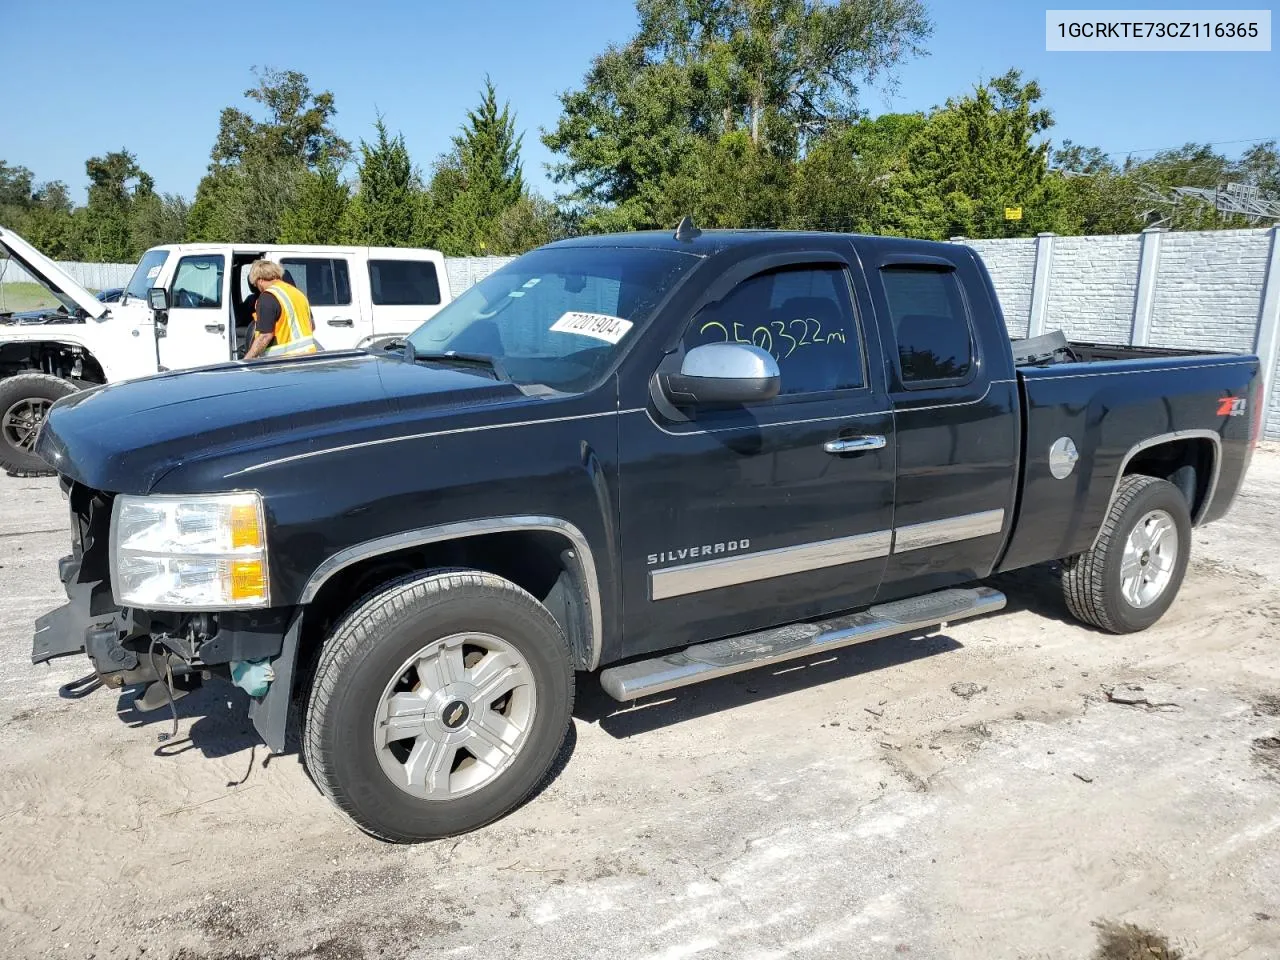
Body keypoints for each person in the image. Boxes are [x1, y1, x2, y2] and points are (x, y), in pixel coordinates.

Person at [243, 260, 322, 359]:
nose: (257, 288)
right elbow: (312, 326)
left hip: (283, 361)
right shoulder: (298, 293)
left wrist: (247, 360)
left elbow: (265, 336)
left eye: (255, 284)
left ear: (260, 280)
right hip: (308, 357)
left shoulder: (267, 297)